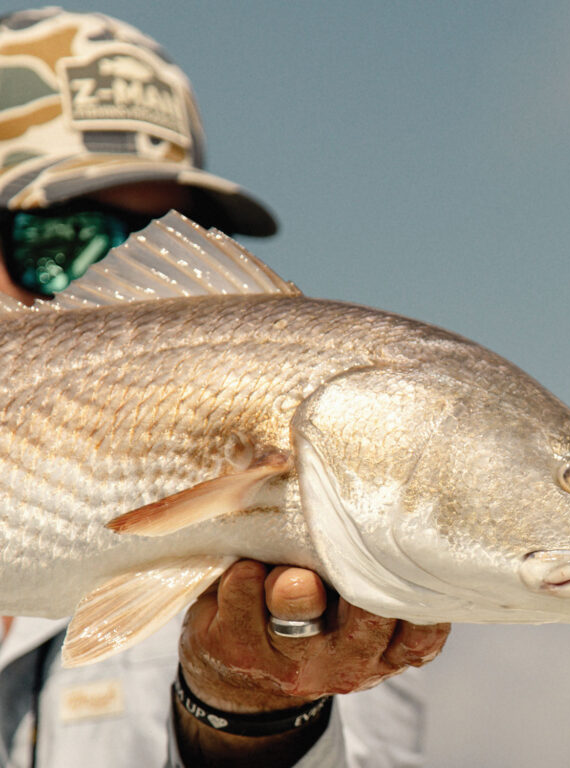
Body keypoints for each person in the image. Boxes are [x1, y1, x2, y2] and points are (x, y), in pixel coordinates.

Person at [0, 9, 450, 767]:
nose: (126, 298)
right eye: (65, 244)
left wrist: (256, 715)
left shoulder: (321, 532)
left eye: (171, 247)